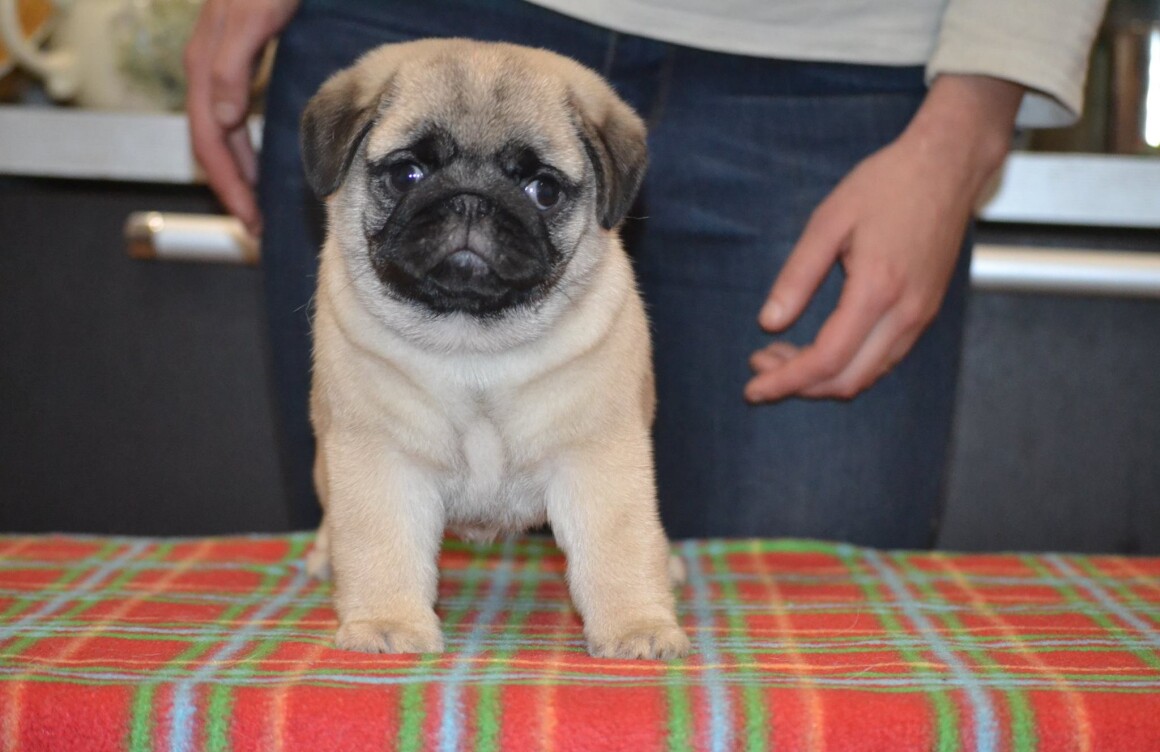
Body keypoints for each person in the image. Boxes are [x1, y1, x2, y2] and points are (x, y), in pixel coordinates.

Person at [184, 0, 1106, 546]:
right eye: (417, 178)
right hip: (402, 28)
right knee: (376, 621)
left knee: (806, 644)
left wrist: (971, 119)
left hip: (839, 59)